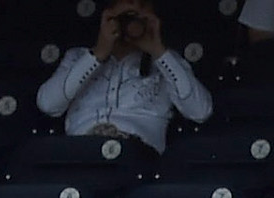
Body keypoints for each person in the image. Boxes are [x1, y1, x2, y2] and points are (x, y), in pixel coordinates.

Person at [36, 0, 210, 153]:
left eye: (141, 7)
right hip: (80, 153)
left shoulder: (167, 61)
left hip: (137, 157)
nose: (130, 22)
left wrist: (158, 50)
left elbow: (200, 111)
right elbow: (48, 105)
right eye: (125, 15)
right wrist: (98, 54)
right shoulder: (77, 56)